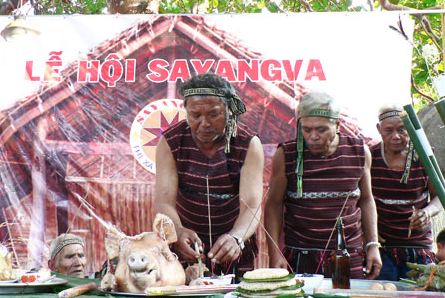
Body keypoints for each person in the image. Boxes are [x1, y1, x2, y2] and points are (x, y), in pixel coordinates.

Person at [155, 73, 264, 279]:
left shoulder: (248, 143)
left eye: (213, 114)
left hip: (234, 245)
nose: (204, 123)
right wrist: (177, 232)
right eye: (195, 115)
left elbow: (252, 204)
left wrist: (236, 238)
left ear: (229, 111)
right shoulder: (171, 141)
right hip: (186, 246)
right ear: (186, 111)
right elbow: (164, 202)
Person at [264, 91, 382, 279]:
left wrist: (373, 245)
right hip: (301, 256)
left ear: (336, 125)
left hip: (347, 255)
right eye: (307, 129)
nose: (313, 136)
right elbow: (274, 204)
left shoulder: (359, 152)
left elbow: (366, 200)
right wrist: (274, 252)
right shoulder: (287, 154)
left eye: (321, 130)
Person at [370, 105, 442, 280]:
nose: (396, 136)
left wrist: (426, 212)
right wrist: (369, 233)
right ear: (379, 129)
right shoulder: (370, 157)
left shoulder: (424, 156)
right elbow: (362, 199)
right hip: (382, 247)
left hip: (418, 247)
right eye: (389, 130)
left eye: (402, 129)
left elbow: (440, 195)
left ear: (409, 129)